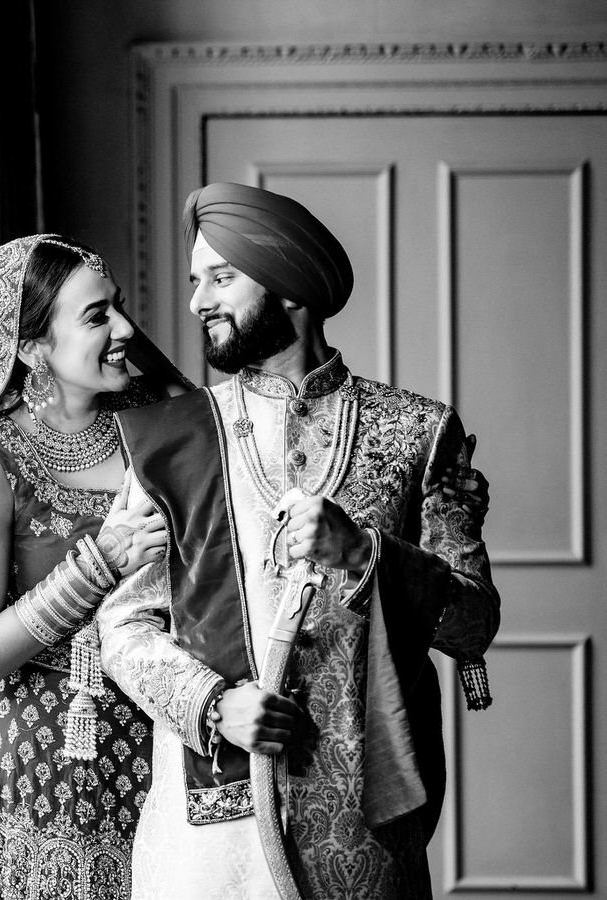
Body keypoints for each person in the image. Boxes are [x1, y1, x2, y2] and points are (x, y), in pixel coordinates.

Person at [95, 183, 500, 898]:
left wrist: (366, 554)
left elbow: (474, 623)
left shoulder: (418, 432)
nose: (197, 303)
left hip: (367, 822)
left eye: (222, 277)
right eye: (195, 281)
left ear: (288, 286)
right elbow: (123, 625)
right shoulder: (173, 440)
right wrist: (214, 705)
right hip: (214, 823)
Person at [0, 234, 191, 899]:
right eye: (96, 316)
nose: (127, 330)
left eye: (119, 307)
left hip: (173, 740)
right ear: (32, 350)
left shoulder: (158, 424)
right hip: (47, 762)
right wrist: (99, 562)